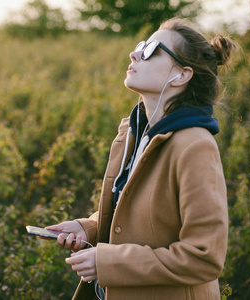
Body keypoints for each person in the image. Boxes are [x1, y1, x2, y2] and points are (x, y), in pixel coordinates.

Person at [46, 17, 237, 300]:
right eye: (140, 46)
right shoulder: (134, 133)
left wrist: (108, 261)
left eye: (151, 51)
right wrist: (88, 228)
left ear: (182, 75)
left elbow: (203, 257)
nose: (135, 54)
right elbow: (142, 220)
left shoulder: (195, 146)